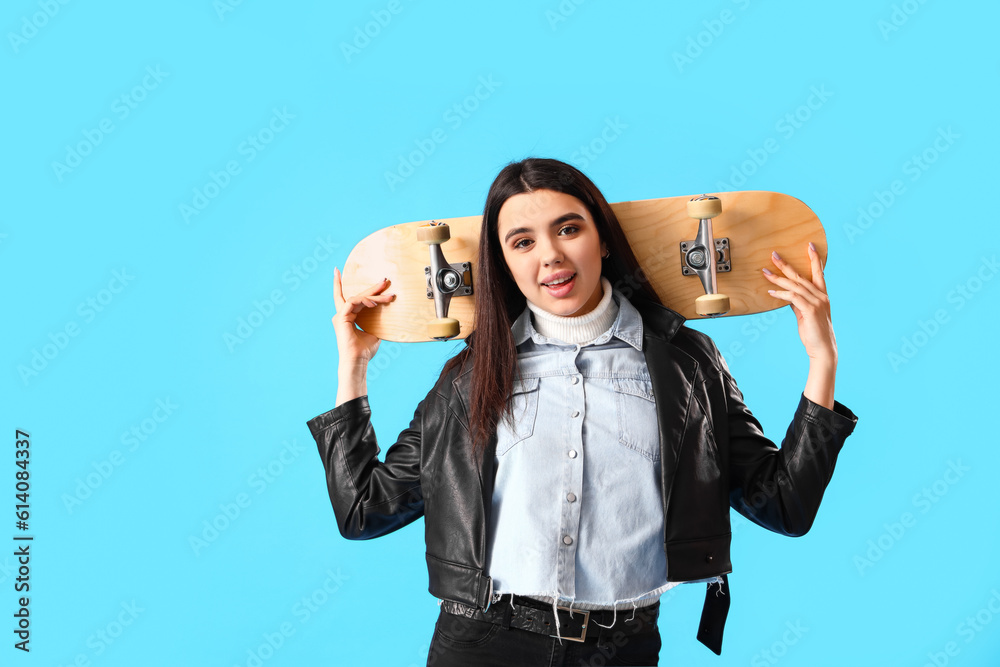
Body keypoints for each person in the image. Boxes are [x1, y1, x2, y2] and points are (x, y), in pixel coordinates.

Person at [307, 158, 858, 666]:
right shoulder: (470, 376)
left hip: (622, 647)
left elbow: (784, 505)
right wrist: (351, 369)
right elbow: (365, 510)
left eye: (568, 229)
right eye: (522, 242)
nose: (550, 255)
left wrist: (821, 359)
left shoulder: (687, 364)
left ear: (603, 240)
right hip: (482, 644)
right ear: (504, 263)